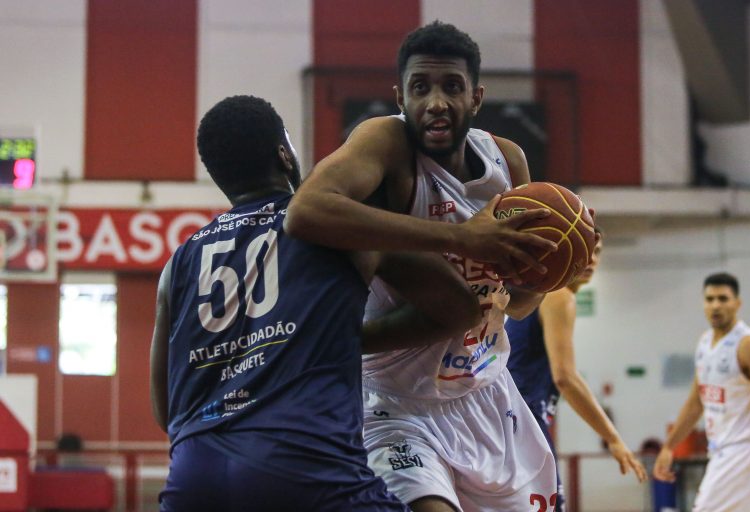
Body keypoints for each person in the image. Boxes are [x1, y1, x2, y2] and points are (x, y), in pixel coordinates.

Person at [149, 95, 486, 511]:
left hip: (194, 480)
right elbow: (459, 308)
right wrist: (346, 339)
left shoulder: (178, 264)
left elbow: (166, 409)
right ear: (284, 155)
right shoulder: (335, 226)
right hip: (305, 468)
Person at [286, 21, 560, 512]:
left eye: (452, 87)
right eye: (420, 88)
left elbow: (520, 304)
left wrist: (555, 268)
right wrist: (460, 238)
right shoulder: (386, 141)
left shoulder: (507, 161)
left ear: (475, 98)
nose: (436, 102)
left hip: (487, 393)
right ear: (400, 97)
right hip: (395, 403)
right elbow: (305, 211)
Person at [505, 230, 646, 511]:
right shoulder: (559, 296)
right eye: (585, 250)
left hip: (509, 417)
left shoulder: (540, 294)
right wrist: (613, 438)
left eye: (598, 252)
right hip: (523, 418)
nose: (592, 259)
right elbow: (565, 378)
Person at [653, 272, 750, 511]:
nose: (716, 305)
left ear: (737, 303)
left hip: (744, 450)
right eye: (710, 299)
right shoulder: (705, 342)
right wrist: (669, 446)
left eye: (723, 299)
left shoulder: (748, 345)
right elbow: (696, 402)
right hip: (721, 449)